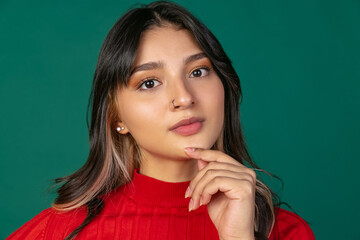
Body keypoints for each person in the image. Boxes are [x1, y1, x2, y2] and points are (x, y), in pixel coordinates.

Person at [6, 1, 315, 240]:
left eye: (198, 71)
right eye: (149, 83)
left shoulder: (284, 232)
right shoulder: (60, 231)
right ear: (117, 117)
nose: (184, 97)